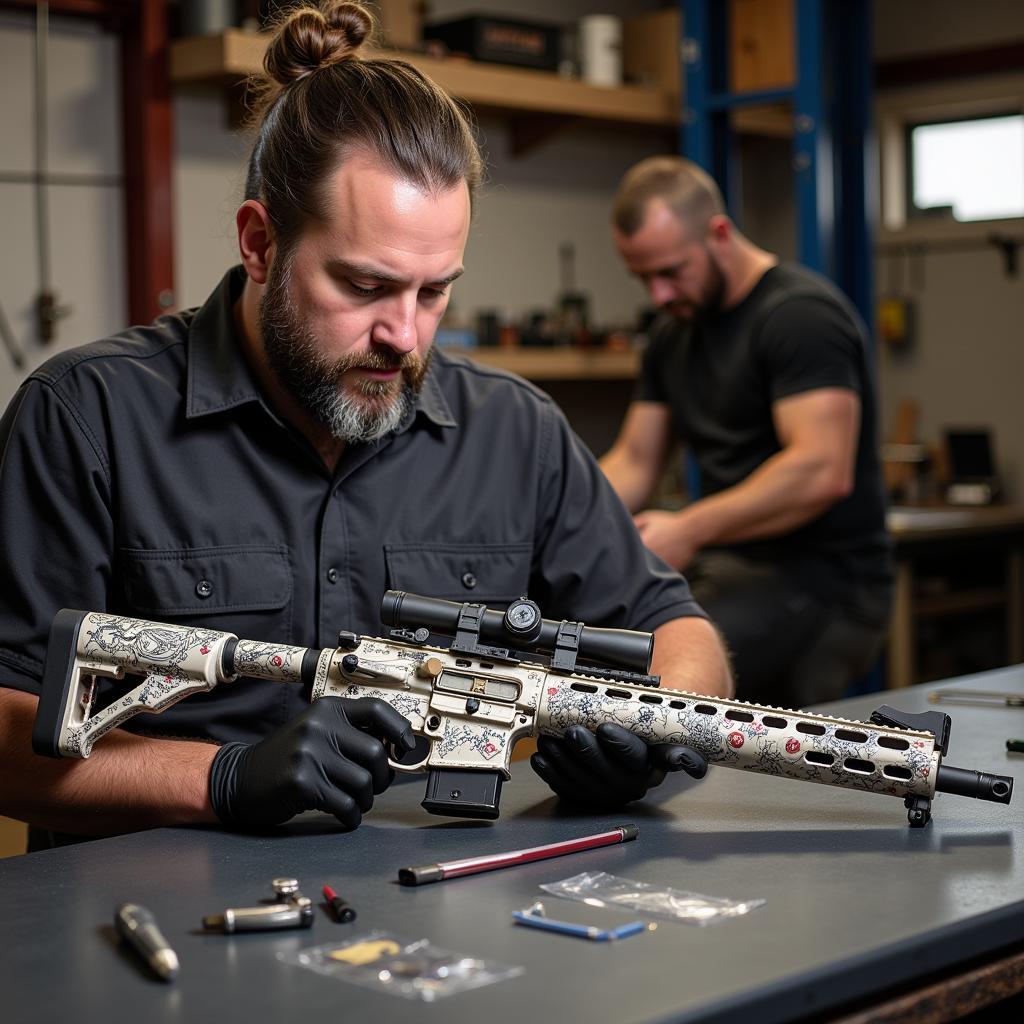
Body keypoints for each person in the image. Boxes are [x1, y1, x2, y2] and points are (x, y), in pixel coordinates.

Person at [0, 4, 730, 847]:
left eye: (433, 290)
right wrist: (222, 777)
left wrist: (657, 728)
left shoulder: (514, 432)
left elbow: (681, 632)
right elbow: (6, 726)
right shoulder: (86, 419)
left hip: (443, 920)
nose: (405, 336)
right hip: (151, 932)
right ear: (260, 244)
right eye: (365, 286)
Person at [600, 156, 892, 709]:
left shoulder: (799, 317)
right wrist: (559, 522)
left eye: (670, 271)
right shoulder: (673, 334)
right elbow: (636, 461)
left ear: (719, 233)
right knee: (611, 646)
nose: (658, 295)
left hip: (828, 582)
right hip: (731, 567)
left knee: (667, 682)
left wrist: (687, 529)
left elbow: (820, 470)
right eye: (642, 278)